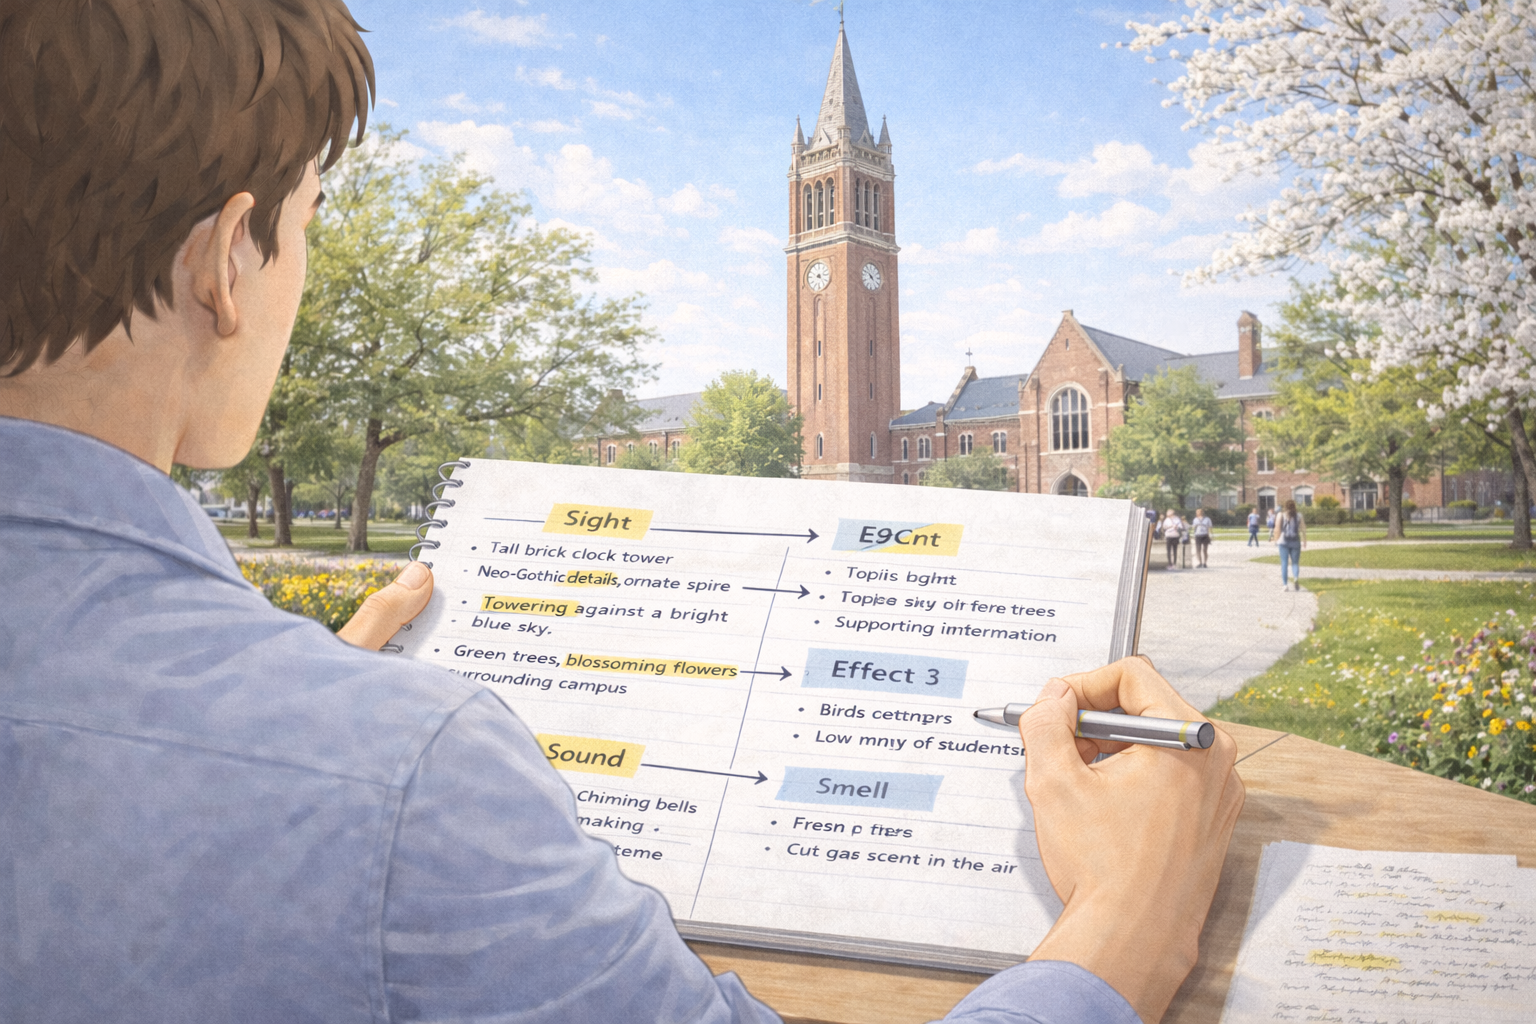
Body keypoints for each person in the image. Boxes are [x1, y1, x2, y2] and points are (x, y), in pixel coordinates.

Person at [0, 3, 1244, 1022]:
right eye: (309, 224)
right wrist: (1124, 929)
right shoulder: (413, 779)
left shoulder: (343, 750)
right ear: (227, 263)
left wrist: (282, 720)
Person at [1271, 499, 1307, 591]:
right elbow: (1303, 528)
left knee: (1284, 563)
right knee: (1295, 563)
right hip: (1295, 541)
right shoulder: (1299, 515)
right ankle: (1295, 578)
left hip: (1283, 541)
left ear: (1285, 507)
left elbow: (1277, 528)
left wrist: (1276, 540)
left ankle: (1285, 585)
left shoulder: (1281, 515)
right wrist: (1304, 540)